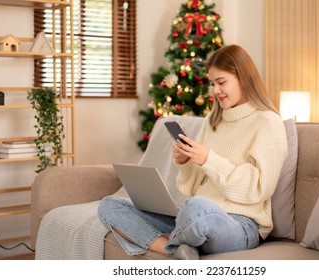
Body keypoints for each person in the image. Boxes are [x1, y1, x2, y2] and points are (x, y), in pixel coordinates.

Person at [98, 44, 288, 260]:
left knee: (197, 209)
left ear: (243, 78)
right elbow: (191, 187)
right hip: (193, 217)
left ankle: (175, 241)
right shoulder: (213, 121)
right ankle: (174, 250)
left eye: (221, 82)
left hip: (239, 224)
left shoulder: (267, 122)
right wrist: (186, 162)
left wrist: (209, 159)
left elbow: (259, 188)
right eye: (212, 83)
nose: (215, 91)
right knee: (109, 205)